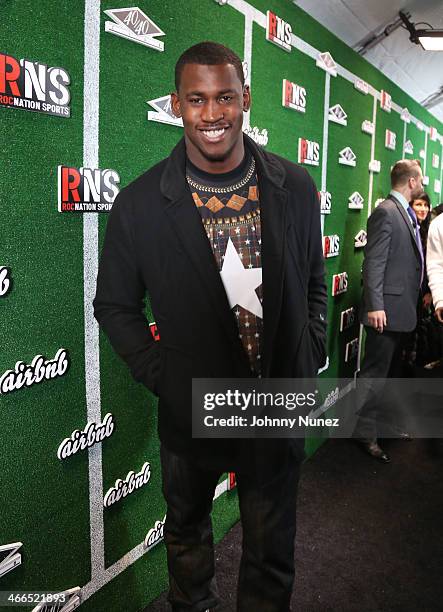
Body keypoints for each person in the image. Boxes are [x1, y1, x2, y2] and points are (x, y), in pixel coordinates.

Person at [93, 42, 327, 612]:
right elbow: (115, 306)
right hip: (190, 409)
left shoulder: (294, 187)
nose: (213, 113)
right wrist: (163, 376)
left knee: (272, 553)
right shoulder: (139, 203)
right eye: (197, 99)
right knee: (189, 542)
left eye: (225, 97)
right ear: (176, 105)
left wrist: (311, 340)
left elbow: (315, 275)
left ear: (246, 98)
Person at [355, 159, 424, 462]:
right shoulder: (386, 212)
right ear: (411, 182)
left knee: (392, 376)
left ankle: (383, 425)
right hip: (385, 312)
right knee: (375, 376)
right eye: (420, 179)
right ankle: (365, 432)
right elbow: (374, 263)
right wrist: (375, 306)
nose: (422, 184)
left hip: (402, 311)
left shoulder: (404, 212)